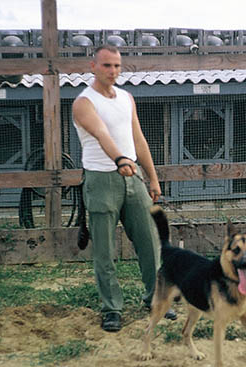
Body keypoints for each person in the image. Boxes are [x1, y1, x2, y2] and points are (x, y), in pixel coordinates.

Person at [72, 45, 176, 332]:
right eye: (106, 65)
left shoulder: (126, 98)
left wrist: (152, 178)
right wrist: (119, 159)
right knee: (104, 251)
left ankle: (155, 299)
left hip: (133, 179)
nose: (113, 71)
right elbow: (101, 133)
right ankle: (112, 309)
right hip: (101, 179)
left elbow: (138, 138)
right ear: (92, 66)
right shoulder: (84, 102)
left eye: (117, 65)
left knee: (150, 241)